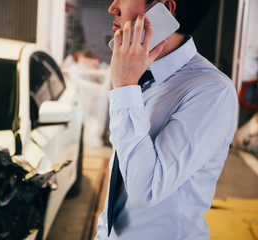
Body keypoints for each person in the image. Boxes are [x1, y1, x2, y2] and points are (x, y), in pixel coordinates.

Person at [95, 0, 238, 239]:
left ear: (165, 9)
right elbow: (122, 179)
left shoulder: (212, 91)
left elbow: (145, 190)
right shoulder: (140, 76)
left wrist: (124, 86)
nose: (113, 7)